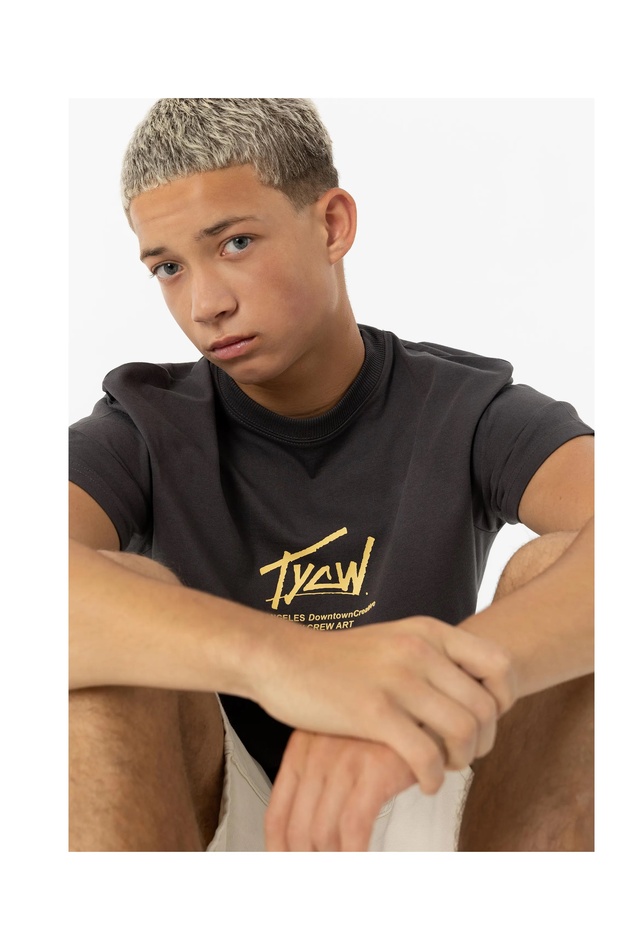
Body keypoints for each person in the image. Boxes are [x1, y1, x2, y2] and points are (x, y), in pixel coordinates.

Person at [69, 98, 594, 852]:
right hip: (212, 818)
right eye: (169, 268)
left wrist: (423, 689)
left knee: (564, 575)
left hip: (434, 791)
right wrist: (294, 664)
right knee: (102, 621)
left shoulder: (467, 409)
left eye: (236, 243)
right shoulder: (140, 429)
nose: (205, 304)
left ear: (332, 225)